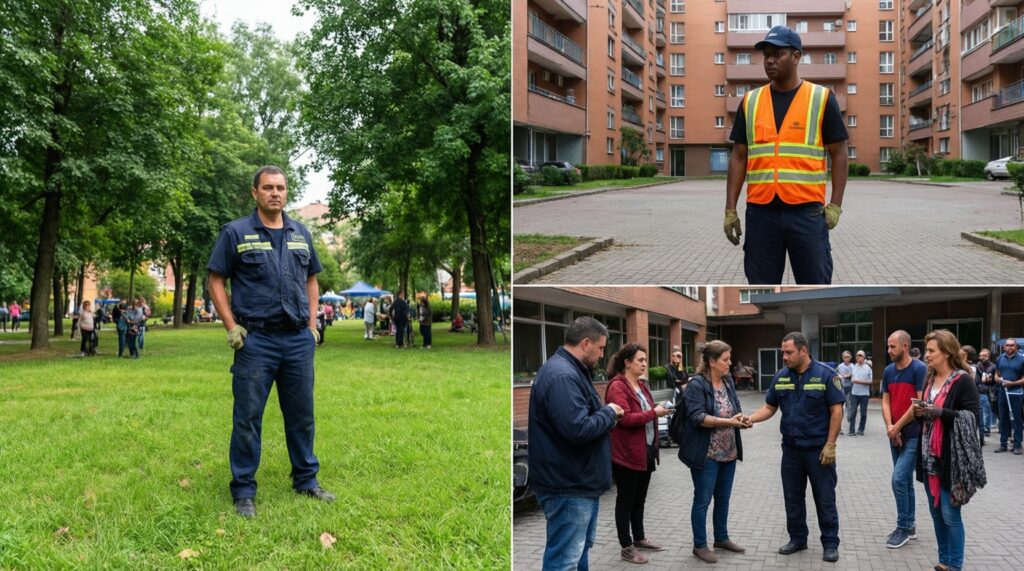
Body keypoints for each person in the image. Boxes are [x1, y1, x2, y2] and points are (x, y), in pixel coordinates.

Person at [207, 165, 335, 518]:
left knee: (301, 416)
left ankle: (306, 481)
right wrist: (231, 327)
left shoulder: (300, 233)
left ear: (286, 192)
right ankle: (243, 490)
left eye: (280, 187)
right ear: (255, 193)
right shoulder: (236, 232)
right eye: (267, 187)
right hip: (255, 341)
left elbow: (312, 279)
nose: (275, 193)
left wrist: (312, 325)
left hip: (297, 340)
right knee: (247, 417)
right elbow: (215, 279)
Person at [723, 26, 848, 285]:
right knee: (761, 284)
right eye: (766, 55)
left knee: (814, 285)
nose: (769, 60)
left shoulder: (821, 98)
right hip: (761, 214)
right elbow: (738, 157)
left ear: (796, 56)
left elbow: (839, 153)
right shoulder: (751, 101)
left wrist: (835, 205)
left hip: (807, 214)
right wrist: (730, 209)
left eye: (777, 54)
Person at [529, 316, 624, 570]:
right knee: (565, 561)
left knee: (577, 554)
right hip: (568, 485)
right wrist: (609, 413)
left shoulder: (570, 371)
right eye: (601, 348)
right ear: (585, 343)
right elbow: (578, 428)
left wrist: (605, 415)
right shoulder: (562, 376)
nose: (602, 355)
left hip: (577, 482)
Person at [745, 332, 845, 562]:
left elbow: (836, 411)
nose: (785, 357)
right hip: (791, 450)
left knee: (825, 498)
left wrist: (831, 445)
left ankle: (830, 543)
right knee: (792, 498)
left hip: (818, 450)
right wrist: (750, 419)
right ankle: (798, 539)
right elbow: (769, 407)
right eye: (783, 353)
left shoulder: (826, 375)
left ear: (803, 350)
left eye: (789, 352)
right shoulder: (781, 377)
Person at [912, 329, 982, 571]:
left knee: (950, 515)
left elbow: (972, 418)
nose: (927, 355)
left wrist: (940, 412)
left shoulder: (963, 381)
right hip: (929, 457)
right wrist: (921, 412)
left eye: (931, 351)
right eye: (927, 350)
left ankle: (955, 565)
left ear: (947, 352)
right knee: (936, 513)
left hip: (952, 460)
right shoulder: (929, 379)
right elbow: (928, 417)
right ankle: (944, 561)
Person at [679, 340, 748, 564]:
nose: (730, 363)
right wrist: (728, 421)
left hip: (729, 452)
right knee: (703, 500)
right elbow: (697, 417)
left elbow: (736, 407)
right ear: (711, 361)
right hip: (706, 454)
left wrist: (742, 418)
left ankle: (721, 538)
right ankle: (700, 545)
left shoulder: (728, 382)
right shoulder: (697, 384)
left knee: (723, 499)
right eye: (725, 360)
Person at [604, 344, 670, 564]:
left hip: (646, 450)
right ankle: (626, 546)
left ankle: (639, 538)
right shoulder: (617, 386)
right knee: (626, 500)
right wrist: (654, 412)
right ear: (627, 362)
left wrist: (658, 409)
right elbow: (625, 418)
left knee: (639, 499)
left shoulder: (641, 384)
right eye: (640, 360)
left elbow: (645, 412)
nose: (644, 364)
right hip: (627, 454)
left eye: (645, 360)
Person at [880, 330, 927, 549]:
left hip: (913, 434)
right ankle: (910, 525)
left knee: (898, 479)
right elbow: (885, 401)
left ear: (905, 346)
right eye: (888, 346)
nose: (889, 350)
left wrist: (897, 427)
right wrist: (890, 428)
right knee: (905, 481)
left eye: (893, 346)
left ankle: (902, 528)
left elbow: (919, 403)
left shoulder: (919, 369)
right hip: (894, 434)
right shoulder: (888, 371)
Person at [995, 337, 1024, 454]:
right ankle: (1003, 444)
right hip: (1002, 393)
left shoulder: (1022, 359)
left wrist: (1012, 383)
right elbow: (996, 374)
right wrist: (997, 379)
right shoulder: (999, 358)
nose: (1009, 347)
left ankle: (1017, 445)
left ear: (1016, 347)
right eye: (1007, 345)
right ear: (1004, 347)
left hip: (1016, 393)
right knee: (1003, 419)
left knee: (1016, 420)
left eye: (1012, 345)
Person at [848, 351, 872, 436]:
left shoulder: (868, 368)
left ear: (864, 357)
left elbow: (870, 382)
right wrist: (852, 380)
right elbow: (852, 378)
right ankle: (851, 431)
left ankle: (861, 430)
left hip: (864, 394)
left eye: (860, 355)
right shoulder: (854, 367)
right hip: (854, 393)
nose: (858, 357)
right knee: (852, 412)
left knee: (863, 413)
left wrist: (859, 381)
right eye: (857, 355)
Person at [976, 348, 997, 436]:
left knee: (986, 411)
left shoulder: (993, 367)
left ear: (989, 356)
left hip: (987, 391)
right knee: (981, 411)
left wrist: (989, 379)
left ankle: (986, 428)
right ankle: (983, 428)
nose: (982, 357)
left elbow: (993, 380)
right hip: (977, 390)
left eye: (984, 355)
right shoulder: (978, 365)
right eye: (981, 355)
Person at [836, 351, 854, 435]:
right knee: (840, 410)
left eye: (848, 357)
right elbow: (835, 375)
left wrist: (850, 376)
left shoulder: (853, 366)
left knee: (850, 407)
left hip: (850, 389)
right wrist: (838, 376)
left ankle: (851, 426)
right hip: (841, 389)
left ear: (850, 357)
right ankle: (839, 428)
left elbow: (855, 375)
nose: (847, 358)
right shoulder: (840, 366)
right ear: (843, 358)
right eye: (845, 357)